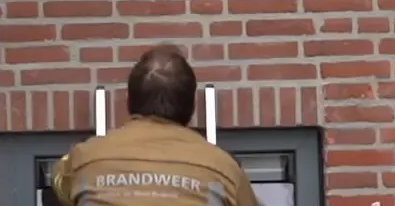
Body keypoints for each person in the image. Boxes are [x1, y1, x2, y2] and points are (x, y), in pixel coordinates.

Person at [50, 44, 257, 206]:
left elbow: (55, 189)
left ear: (128, 100)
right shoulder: (224, 168)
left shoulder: (83, 158)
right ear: (192, 106)